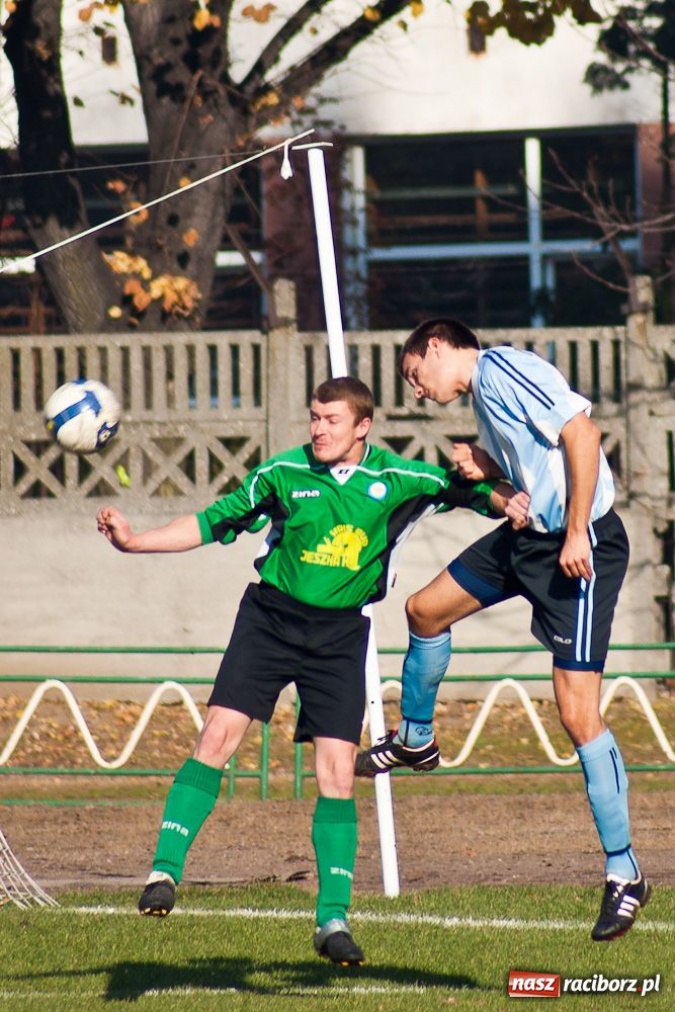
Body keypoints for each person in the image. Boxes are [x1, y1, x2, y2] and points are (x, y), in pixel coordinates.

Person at [97, 375, 515, 967]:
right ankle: (164, 874)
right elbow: (211, 522)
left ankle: (332, 920)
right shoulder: (282, 474)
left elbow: (478, 494)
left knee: (338, 772)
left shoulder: (401, 479)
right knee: (218, 735)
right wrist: (135, 542)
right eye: (314, 417)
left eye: (331, 419)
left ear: (363, 426)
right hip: (270, 619)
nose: (318, 429)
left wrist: (509, 497)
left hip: (341, 634)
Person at [355, 319, 651, 943]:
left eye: (415, 376)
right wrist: (481, 467)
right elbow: (527, 467)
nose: (417, 392)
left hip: (579, 546)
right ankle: (415, 739)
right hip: (526, 540)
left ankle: (625, 874)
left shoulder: (502, 368)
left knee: (578, 715)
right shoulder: (487, 396)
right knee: (424, 610)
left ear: (436, 346)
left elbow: (582, 432)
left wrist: (574, 532)